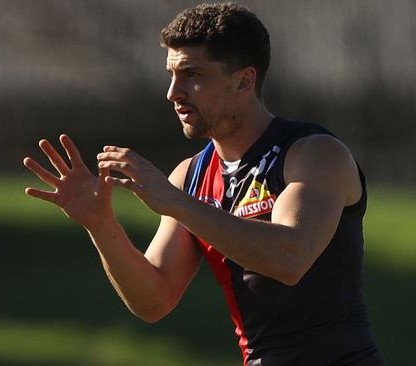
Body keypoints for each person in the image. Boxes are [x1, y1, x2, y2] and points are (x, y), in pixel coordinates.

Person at [23, 3, 383, 365]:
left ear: (244, 80)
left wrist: (176, 202)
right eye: (171, 74)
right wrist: (100, 225)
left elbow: (289, 258)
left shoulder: (314, 153)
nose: (173, 92)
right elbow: (154, 300)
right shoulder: (191, 176)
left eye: (191, 74)